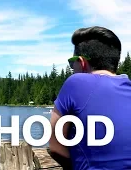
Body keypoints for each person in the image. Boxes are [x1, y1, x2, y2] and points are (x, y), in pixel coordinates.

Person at [49, 26, 131, 170]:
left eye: (71, 63)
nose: (72, 68)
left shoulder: (76, 82)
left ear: (81, 62)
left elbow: (55, 145)